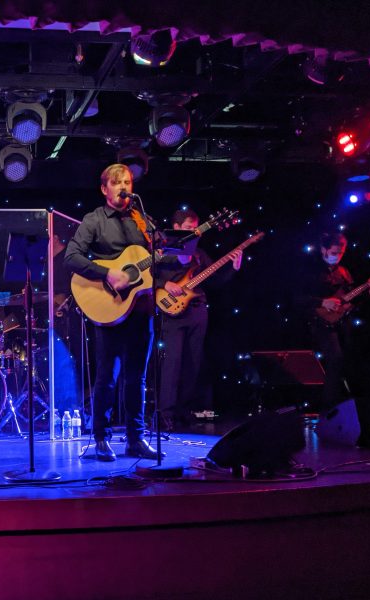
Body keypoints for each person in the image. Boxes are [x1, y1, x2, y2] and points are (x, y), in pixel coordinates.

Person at [63, 163, 160, 462]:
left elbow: (155, 260)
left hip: (141, 309)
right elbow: (71, 257)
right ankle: (101, 437)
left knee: (137, 378)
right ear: (104, 189)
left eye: (127, 181)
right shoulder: (94, 219)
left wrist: (183, 252)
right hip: (108, 308)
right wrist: (107, 274)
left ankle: (136, 438)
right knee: (107, 376)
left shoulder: (143, 220)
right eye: (116, 182)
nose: (123, 186)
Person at [155, 208, 242, 430]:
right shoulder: (161, 254)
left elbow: (215, 282)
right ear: (175, 229)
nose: (193, 232)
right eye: (187, 229)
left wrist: (234, 267)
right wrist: (165, 284)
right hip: (172, 313)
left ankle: (184, 411)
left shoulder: (200, 255)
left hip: (197, 311)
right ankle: (166, 414)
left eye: (195, 228)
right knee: (172, 364)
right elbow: (147, 278)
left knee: (193, 362)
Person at [297, 231, 370, 409]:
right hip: (317, 323)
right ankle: (328, 408)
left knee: (352, 359)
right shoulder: (309, 270)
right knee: (335, 359)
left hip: (342, 323)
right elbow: (296, 299)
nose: (338, 256)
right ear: (323, 250)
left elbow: (351, 301)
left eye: (341, 253)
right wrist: (322, 302)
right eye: (334, 252)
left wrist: (369, 293)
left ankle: (352, 406)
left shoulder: (343, 271)